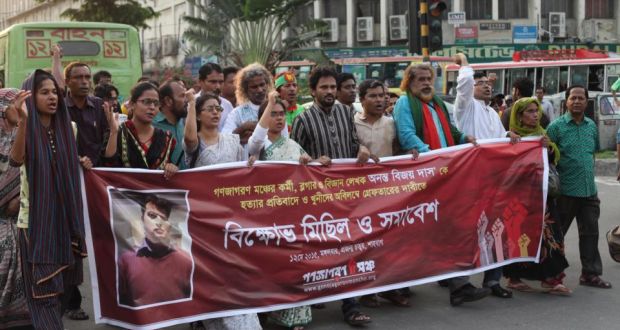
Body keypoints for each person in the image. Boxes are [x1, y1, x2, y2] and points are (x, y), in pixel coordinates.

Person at [392, 63, 488, 306]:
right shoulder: (405, 104)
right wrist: (434, 158)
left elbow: (451, 132)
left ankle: (459, 286)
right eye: (420, 79)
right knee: (414, 234)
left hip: (446, 174)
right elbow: (407, 136)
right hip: (423, 176)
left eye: (429, 79)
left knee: (453, 228)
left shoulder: (437, 104)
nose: (426, 83)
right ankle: (398, 285)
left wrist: (463, 138)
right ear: (408, 82)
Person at [291, 66, 373, 327]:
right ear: (313, 91)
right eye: (323, 87)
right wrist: (314, 161)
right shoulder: (303, 120)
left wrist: (361, 149)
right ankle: (305, 302)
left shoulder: (346, 112)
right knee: (317, 249)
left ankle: (351, 305)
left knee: (351, 245)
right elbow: (294, 160)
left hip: (347, 194)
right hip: (317, 200)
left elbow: (351, 143)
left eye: (332, 87)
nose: (329, 92)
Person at [10, 70, 90, 329]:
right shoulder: (21, 128)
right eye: (44, 92)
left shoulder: (70, 128)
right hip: (35, 223)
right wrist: (23, 121)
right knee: (42, 294)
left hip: (65, 221)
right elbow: (16, 160)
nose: (52, 97)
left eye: (54, 91)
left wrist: (82, 162)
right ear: (29, 97)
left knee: (60, 293)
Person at [247, 91, 330, 330]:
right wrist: (270, 101)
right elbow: (256, 144)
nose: (279, 118)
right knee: (268, 267)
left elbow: (307, 167)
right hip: (267, 217)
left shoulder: (292, 144)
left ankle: (295, 318)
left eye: (282, 114)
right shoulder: (257, 147)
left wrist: (317, 162)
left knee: (294, 264)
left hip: (294, 216)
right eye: (273, 114)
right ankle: (266, 312)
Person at [183, 91, 260, 330]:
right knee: (211, 276)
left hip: (231, 219)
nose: (216, 112)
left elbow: (241, 176)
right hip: (204, 221)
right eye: (210, 109)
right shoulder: (194, 142)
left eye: (218, 108)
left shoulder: (233, 141)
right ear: (198, 114)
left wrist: (249, 166)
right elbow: (189, 138)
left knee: (236, 275)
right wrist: (189, 104)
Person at [453, 53, 519, 298]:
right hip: (469, 180)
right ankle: (460, 283)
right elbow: (464, 84)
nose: (487, 87)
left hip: (494, 180)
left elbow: (499, 139)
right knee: (469, 231)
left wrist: (509, 136)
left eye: (490, 85)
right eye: (482, 84)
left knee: (496, 230)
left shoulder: (492, 113)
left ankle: (493, 280)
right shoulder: (465, 106)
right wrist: (464, 61)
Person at [502, 97, 571, 295]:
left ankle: (552, 279)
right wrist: (508, 136)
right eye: (530, 111)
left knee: (551, 235)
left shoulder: (541, 134)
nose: (535, 115)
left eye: (536, 111)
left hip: (543, 197)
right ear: (519, 116)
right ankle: (514, 277)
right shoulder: (508, 138)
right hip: (520, 198)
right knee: (519, 236)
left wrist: (548, 147)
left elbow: (553, 159)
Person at [354, 79, 414, 308]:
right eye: (373, 96)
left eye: (382, 95)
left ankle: (391, 288)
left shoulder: (392, 124)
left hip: (389, 193)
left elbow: (400, 150)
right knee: (367, 245)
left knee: (391, 243)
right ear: (362, 100)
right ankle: (367, 291)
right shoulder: (353, 123)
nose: (380, 100)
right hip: (361, 194)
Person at [547, 85, 612, 289]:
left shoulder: (591, 126)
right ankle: (550, 273)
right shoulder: (556, 127)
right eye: (573, 98)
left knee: (590, 233)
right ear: (566, 102)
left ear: (586, 102)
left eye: (580, 98)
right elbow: (548, 159)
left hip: (588, 191)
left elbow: (591, 155)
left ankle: (590, 274)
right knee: (557, 235)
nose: (576, 101)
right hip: (565, 191)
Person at [118, 194, 192, 307]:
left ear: (170, 224)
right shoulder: (126, 260)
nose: (158, 222)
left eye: (164, 218)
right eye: (152, 216)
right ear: (143, 219)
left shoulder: (185, 261)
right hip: (141, 322)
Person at [102, 82, 178, 179]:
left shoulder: (166, 137)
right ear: (132, 104)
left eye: (156, 103)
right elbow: (108, 165)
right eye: (146, 102)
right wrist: (113, 132)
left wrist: (171, 167)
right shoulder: (119, 131)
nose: (152, 107)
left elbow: (169, 166)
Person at [0, 88, 31, 329]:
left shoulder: (25, 137)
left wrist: (20, 198)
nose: (21, 109)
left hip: (19, 218)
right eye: (15, 104)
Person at [223, 63, 281, 150]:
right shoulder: (237, 113)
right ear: (245, 90)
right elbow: (224, 140)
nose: (260, 90)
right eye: (254, 87)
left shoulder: (277, 108)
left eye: (262, 84)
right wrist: (243, 128)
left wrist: (257, 128)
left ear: (267, 84)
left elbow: (284, 138)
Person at [65, 62, 109, 171]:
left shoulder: (99, 105)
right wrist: (77, 159)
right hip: (70, 169)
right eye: (78, 77)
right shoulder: (60, 108)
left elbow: (106, 138)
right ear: (67, 82)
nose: (84, 82)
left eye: (87, 77)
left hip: (98, 171)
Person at [153, 78, 187, 169]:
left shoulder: (186, 122)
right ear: (168, 101)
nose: (186, 100)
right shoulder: (151, 125)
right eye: (182, 96)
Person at [197, 63, 235, 131]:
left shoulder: (227, 105)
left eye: (221, 82)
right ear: (200, 82)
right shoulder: (191, 103)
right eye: (213, 82)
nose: (218, 86)